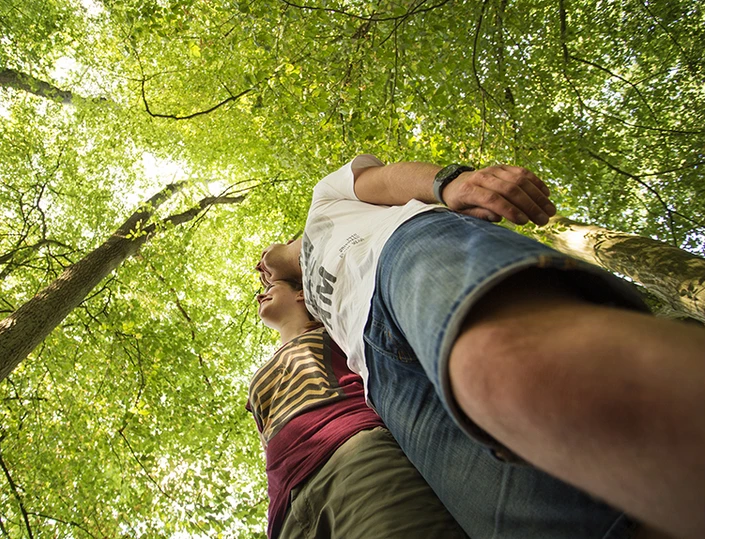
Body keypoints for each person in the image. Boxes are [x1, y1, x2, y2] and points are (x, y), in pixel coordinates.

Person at [255, 154, 706, 539]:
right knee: (536, 518)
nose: (262, 270)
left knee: (514, 371)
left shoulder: (323, 206)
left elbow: (381, 179)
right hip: (383, 377)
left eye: (266, 261)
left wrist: (450, 182)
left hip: (399, 254)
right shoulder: (313, 303)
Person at [248, 276, 469, 539]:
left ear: (300, 294)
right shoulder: (261, 375)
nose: (261, 295)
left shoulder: (337, 330)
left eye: (271, 288)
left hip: (354, 455)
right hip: (285, 507)